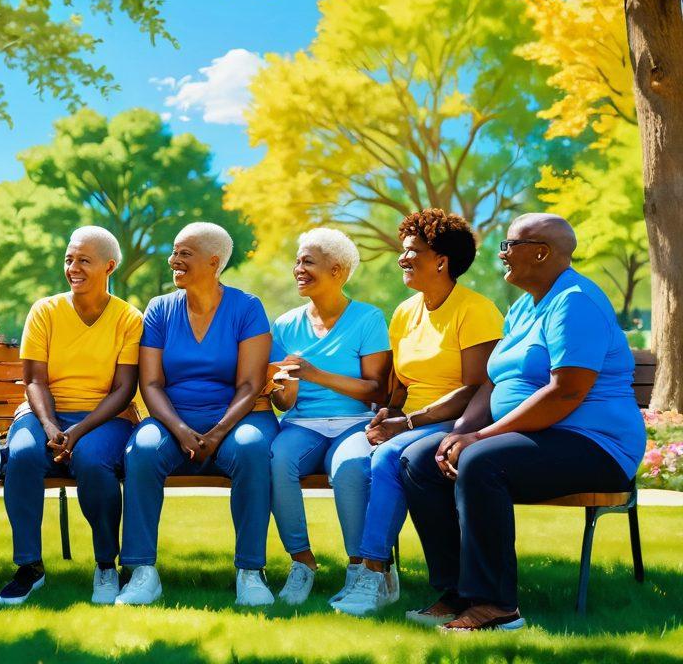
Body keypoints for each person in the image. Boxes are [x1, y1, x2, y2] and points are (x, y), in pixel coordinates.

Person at [401, 213, 647, 631]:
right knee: (420, 459)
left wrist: (482, 437)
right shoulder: (522, 308)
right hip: (538, 436)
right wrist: (460, 433)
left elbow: (566, 392)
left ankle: (496, 607)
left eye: (508, 245)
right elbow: (492, 384)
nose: (501, 255)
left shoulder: (575, 302)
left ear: (541, 252)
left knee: (482, 462)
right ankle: (457, 590)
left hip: (594, 444)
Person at [332, 210, 503, 616]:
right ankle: (371, 571)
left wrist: (407, 423)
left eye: (412, 251)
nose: (402, 259)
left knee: (392, 457)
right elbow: (400, 381)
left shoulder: (475, 310)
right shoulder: (406, 311)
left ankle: (372, 573)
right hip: (410, 419)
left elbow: (476, 387)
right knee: (353, 459)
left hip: (456, 421)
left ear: (441, 260)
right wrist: (386, 412)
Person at [115, 222, 278, 607]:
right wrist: (181, 430)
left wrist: (219, 432)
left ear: (214, 261)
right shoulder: (159, 309)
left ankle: (251, 572)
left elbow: (250, 385)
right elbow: (151, 384)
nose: (173, 260)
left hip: (238, 418)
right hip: (174, 418)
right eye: (174, 252)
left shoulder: (248, 308)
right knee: (142, 450)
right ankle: (142, 572)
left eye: (184, 253)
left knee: (254, 449)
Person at [0, 226, 142, 606]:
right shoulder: (45, 310)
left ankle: (106, 565)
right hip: (44, 410)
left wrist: (76, 432)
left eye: (84, 260)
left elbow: (124, 389)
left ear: (109, 266)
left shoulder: (128, 318)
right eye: (69, 259)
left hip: (104, 415)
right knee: (25, 454)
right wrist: (48, 426)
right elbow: (33, 380)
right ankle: (29, 566)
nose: (73, 267)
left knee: (94, 461)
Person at [268, 228, 391, 607]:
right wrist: (282, 385)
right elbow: (285, 403)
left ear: (337, 270)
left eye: (308, 261)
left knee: (352, 466)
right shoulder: (286, 324)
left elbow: (376, 390)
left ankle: (360, 568)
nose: (298, 269)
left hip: (355, 422)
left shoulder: (368, 319)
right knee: (275, 459)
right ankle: (302, 562)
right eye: (298, 261)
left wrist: (315, 374)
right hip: (302, 424)